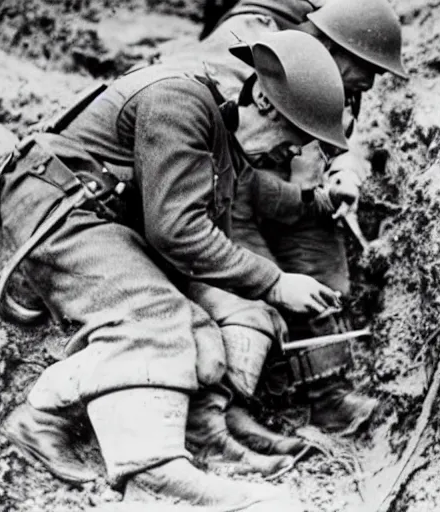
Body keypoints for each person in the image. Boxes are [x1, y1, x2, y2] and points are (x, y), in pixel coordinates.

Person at [0, 31, 346, 510]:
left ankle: (202, 432)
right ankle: (148, 469)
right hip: (58, 207)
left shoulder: (225, 150)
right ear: (263, 100)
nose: (287, 157)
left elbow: (207, 241)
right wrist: (276, 282)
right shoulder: (182, 99)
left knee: (197, 323)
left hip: (97, 219)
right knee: (155, 314)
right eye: (290, 144)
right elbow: (176, 233)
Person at [162, 0, 407, 435]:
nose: (369, 82)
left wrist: (343, 171)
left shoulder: (339, 76)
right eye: (364, 66)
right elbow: (187, 106)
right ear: (331, 44)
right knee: (247, 291)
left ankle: (326, 396)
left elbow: (341, 135)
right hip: (227, 187)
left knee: (324, 273)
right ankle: (230, 408)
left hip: (287, 184)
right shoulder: (253, 45)